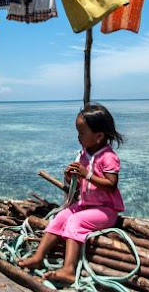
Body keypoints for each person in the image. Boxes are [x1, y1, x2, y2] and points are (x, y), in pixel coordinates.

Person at [19, 103, 125, 283]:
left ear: (99, 136)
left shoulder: (108, 157)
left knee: (75, 221)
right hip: (85, 205)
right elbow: (78, 184)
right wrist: (70, 177)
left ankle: (68, 269)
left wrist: (87, 174)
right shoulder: (83, 154)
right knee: (60, 217)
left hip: (105, 211)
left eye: (82, 133)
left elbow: (111, 185)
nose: (78, 137)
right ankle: (38, 257)